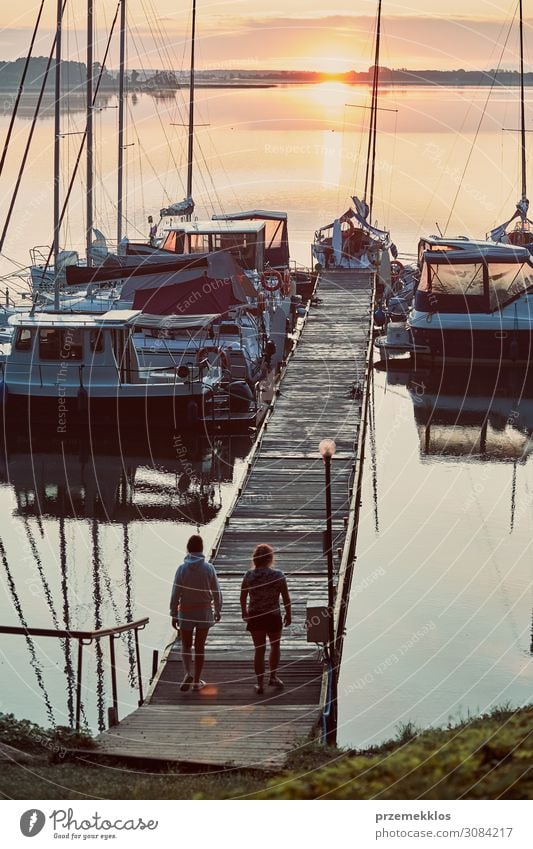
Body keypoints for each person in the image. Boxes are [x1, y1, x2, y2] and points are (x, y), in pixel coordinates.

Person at [169, 534, 222, 692]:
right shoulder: (209, 568)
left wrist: (173, 613)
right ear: (201, 549)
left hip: (186, 612)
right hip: (204, 611)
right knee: (200, 647)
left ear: (188, 549)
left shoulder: (181, 569)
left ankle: (187, 673)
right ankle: (197, 681)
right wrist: (218, 609)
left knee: (186, 646)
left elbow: (175, 593)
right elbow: (216, 591)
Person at [240, 543, 291, 695]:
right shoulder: (278, 575)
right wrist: (289, 614)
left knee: (259, 650)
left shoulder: (249, 575)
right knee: (275, 647)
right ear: (270, 559)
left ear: (255, 559)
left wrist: (244, 612)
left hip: (255, 617)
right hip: (273, 616)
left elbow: (243, 597)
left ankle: (260, 684)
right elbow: (286, 598)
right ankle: (273, 677)